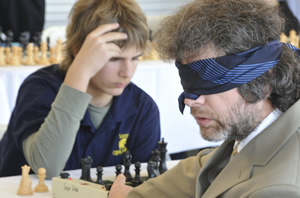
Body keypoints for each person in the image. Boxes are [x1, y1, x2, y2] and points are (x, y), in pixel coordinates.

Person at [109, 0, 300, 197]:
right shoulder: (247, 140)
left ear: (265, 81)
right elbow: (201, 171)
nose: (190, 101)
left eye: (210, 84)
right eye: (189, 86)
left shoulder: (279, 189)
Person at [0, 0, 161, 178]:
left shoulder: (143, 108)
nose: (127, 72)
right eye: (114, 59)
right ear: (79, 50)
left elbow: (146, 181)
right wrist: (81, 71)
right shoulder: (38, 89)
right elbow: (47, 168)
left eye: (135, 58)